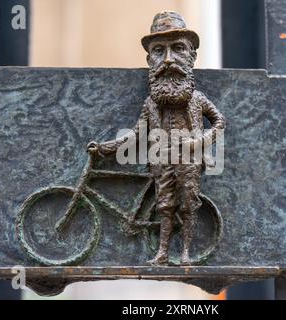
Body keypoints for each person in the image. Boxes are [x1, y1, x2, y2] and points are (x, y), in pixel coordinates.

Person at [87, 11, 226, 266]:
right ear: (150, 59)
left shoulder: (197, 99)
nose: (169, 60)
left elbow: (219, 122)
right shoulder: (151, 104)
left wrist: (199, 142)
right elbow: (136, 134)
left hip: (188, 159)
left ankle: (185, 253)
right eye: (160, 51)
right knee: (164, 206)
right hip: (161, 160)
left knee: (188, 205)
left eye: (178, 49)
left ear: (192, 56)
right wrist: (105, 148)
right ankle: (162, 252)